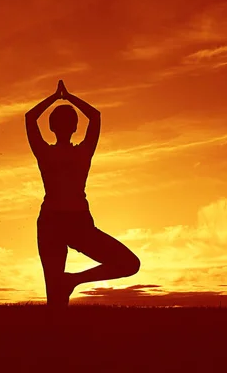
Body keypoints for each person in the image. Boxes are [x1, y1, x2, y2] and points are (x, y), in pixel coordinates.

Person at [25, 80, 141, 308]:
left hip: (64, 223)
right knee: (128, 264)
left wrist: (56, 97)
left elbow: (30, 118)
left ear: (51, 127)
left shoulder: (46, 153)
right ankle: (71, 282)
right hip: (62, 223)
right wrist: (68, 97)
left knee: (55, 298)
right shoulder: (82, 152)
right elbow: (95, 116)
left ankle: (71, 281)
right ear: (76, 127)